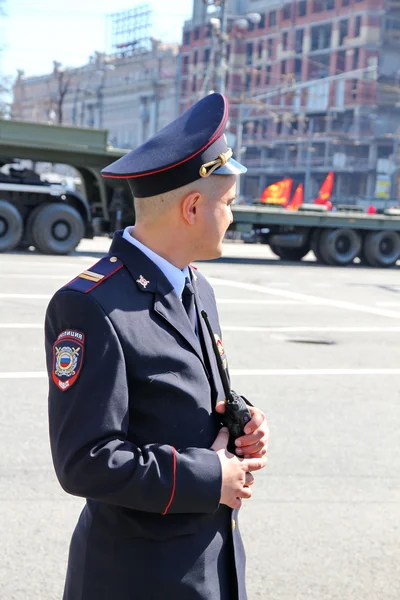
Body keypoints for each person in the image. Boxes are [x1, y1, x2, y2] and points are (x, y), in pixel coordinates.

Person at [45, 93, 269, 600]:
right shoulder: (92, 304)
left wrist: (241, 422)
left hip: (208, 565)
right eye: (227, 204)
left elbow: (182, 393)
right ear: (193, 207)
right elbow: (84, 459)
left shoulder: (196, 286)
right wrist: (209, 475)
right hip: (137, 577)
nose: (232, 218)